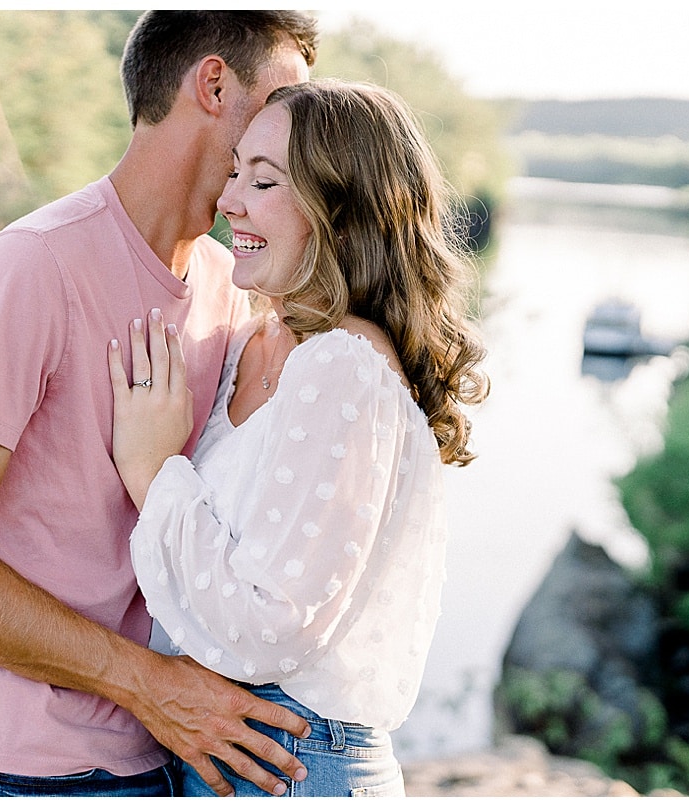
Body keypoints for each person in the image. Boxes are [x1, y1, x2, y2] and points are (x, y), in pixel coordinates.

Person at [0, 11, 320, 797]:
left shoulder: (229, 287)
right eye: (285, 100)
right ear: (214, 85)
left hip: (162, 758)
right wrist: (149, 685)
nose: (299, 131)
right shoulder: (33, 267)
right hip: (13, 773)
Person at [105, 79, 491, 797]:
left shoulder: (342, 364)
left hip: (297, 760)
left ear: (341, 215)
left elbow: (271, 623)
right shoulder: (254, 340)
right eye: (234, 173)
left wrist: (154, 473)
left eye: (265, 180)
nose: (229, 201)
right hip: (230, 748)